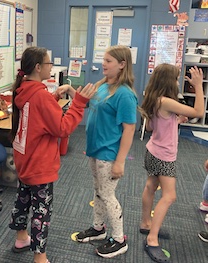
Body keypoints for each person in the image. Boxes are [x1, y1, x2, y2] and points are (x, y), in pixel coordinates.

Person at [8, 46, 96, 263]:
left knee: (23, 200)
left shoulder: (24, 90)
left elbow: (39, 115)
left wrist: (54, 96)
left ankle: (21, 238)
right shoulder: (40, 97)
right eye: (49, 64)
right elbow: (63, 129)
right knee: (41, 212)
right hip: (40, 165)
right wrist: (79, 104)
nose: (51, 67)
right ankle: (40, 257)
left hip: (25, 160)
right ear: (38, 67)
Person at [75, 45, 138, 259]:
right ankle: (98, 228)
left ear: (122, 65)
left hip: (109, 154)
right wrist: (68, 91)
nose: (103, 63)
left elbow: (129, 129)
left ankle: (119, 240)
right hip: (95, 150)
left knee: (108, 195)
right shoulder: (103, 86)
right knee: (99, 191)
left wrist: (120, 162)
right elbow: (86, 102)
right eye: (104, 59)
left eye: (109, 61)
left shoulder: (125, 95)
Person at [139, 63, 204, 263]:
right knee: (170, 196)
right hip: (164, 155)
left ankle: (146, 223)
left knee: (151, 186)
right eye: (176, 79)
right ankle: (152, 239)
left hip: (152, 151)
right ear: (169, 81)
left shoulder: (155, 100)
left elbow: (151, 126)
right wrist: (199, 85)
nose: (177, 82)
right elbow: (199, 111)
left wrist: (174, 120)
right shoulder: (167, 101)